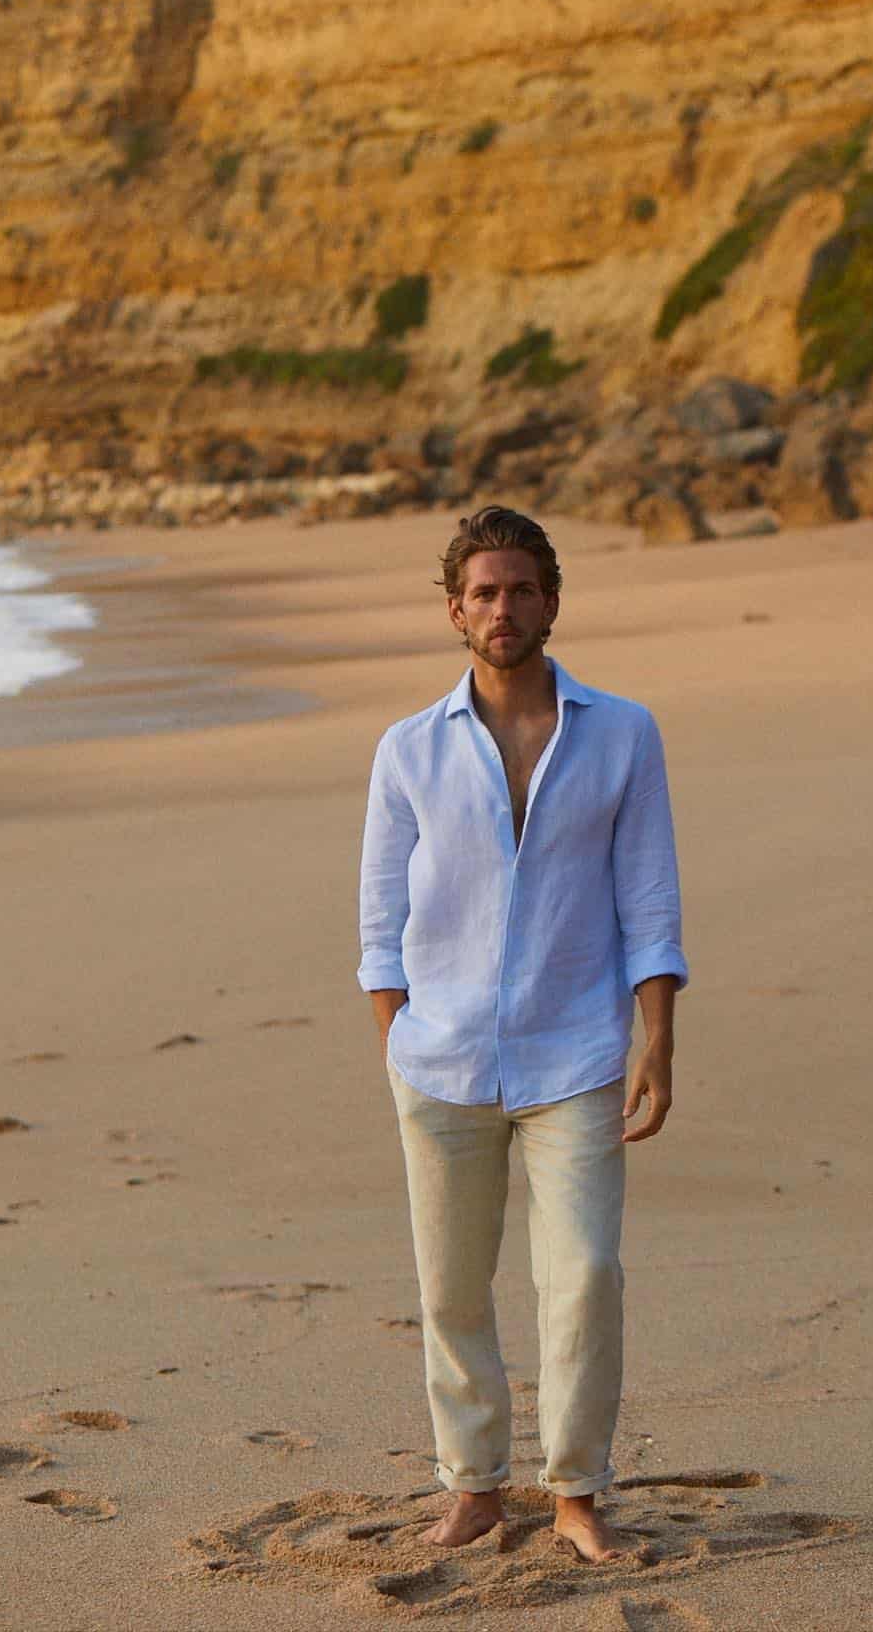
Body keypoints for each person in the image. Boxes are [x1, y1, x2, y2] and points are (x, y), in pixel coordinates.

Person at [357, 504, 689, 1562]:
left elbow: (649, 895)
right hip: (441, 1060)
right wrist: (399, 1041)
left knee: (585, 1271)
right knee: (452, 1286)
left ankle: (579, 1492)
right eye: (484, 592)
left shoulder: (623, 731)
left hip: (578, 1053)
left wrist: (657, 1038)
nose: (505, 607)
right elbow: (378, 921)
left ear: (553, 600)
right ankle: (474, 1488)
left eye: (523, 588)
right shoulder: (407, 750)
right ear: (456, 610)